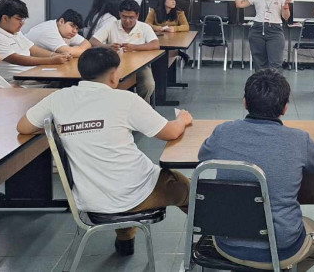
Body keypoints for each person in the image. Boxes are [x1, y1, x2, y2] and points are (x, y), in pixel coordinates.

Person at [17, 47, 194, 256]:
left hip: (90, 199)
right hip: (132, 195)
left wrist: (64, 125)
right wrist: (182, 120)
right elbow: (170, 133)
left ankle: (125, 238)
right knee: (186, 188)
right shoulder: (125, 100)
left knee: (119, 178)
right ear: (113, 75)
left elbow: (23, 127)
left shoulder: (59, 98)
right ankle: (217, 240)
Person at [198, 69, 314, 269]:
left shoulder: (223, 132)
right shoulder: (298, 139)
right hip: (282, 248)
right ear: (285, 108)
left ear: (245, 103)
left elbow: (203, 155)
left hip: (228, 242)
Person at [0, 0, 70, 83]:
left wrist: (56, 55)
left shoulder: (16, 32)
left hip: (33, 74)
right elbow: (17, 59)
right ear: (5, 18)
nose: (22, 23)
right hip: (16, 82)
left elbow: (33, 49)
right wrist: (51, 60)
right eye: (18, 19)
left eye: (23, 19)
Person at [91, 0, 160, 102]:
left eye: (131, 17)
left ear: (137, 16)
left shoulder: (144, 27)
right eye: (124, 17)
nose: (127, 20)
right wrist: (108, 47)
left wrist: (134, 47)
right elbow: (92, 41)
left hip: (140, 65)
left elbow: (155, 45)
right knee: (108, 84)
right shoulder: (111, 25)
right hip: (114, 64)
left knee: (148, 85)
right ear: (119, 14)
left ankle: (140, 106)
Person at [233, 0, 292, 70]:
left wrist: (286, 5)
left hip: (275, 30)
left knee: (275, 64)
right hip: (257, 29)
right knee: (260, 64)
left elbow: (285, 17)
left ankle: (274, 85)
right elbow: (239, 4)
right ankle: (261, 85)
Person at [24, 8, 91, 57]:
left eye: (77, 29)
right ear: (61, 21)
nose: (75, 31)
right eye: (72, 26)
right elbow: (69, 52)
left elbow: (87, 43)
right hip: (23, 65)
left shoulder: (67, 32)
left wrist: (78, 50)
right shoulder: (49, 31)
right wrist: (78, 49)